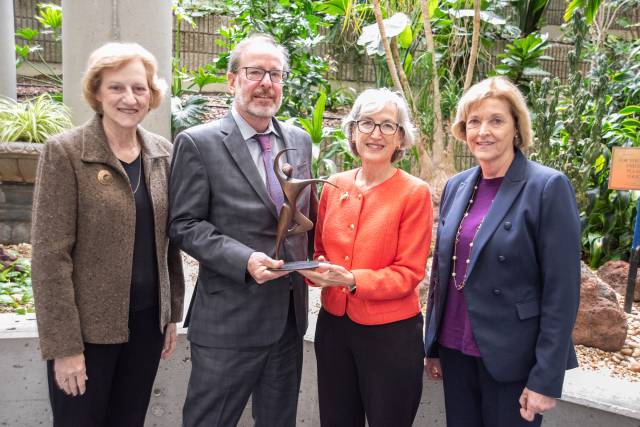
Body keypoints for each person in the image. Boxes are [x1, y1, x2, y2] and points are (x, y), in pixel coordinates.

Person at [31, 42, 185, 427]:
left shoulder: (162, 153)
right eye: (116, 87)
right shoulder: (65, 153)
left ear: (152, 95)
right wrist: (64, 347)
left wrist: (171, 313)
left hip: (146, 329)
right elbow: (50, 258)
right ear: (97, 92)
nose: (129, 98)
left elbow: (170, 243)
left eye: (139, 88)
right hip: (87, 335)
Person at [169, 34, 313, 427]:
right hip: (228, 321)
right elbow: (184, 224)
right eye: (254, 72)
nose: (266, 83)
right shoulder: (198, 143)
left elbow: (304, 217)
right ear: (232, 80)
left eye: (276, 74)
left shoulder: (299, 140)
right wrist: (244, 258)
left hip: (287, 319)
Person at [424, 76, 581, 427]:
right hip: (455, 350)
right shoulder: (456, 185)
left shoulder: (547, 187)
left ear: (516, 128)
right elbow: (441, 272)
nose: (483, 131)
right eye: (474, 121)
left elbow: (563, 292)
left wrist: (545, 378)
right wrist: (432, 345)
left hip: (512, 359)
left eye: (496, 120)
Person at [299, 88, 433, 427]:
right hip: (334, 327)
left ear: (401, 138)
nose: (376, 134)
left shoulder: (414, 193)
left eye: (388, 126)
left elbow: (409, 272)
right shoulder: (333, 184)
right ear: (352, 132)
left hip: (390, 335)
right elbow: (318, 252)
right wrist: (314, 271)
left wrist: (353, 279)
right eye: (367, 123)